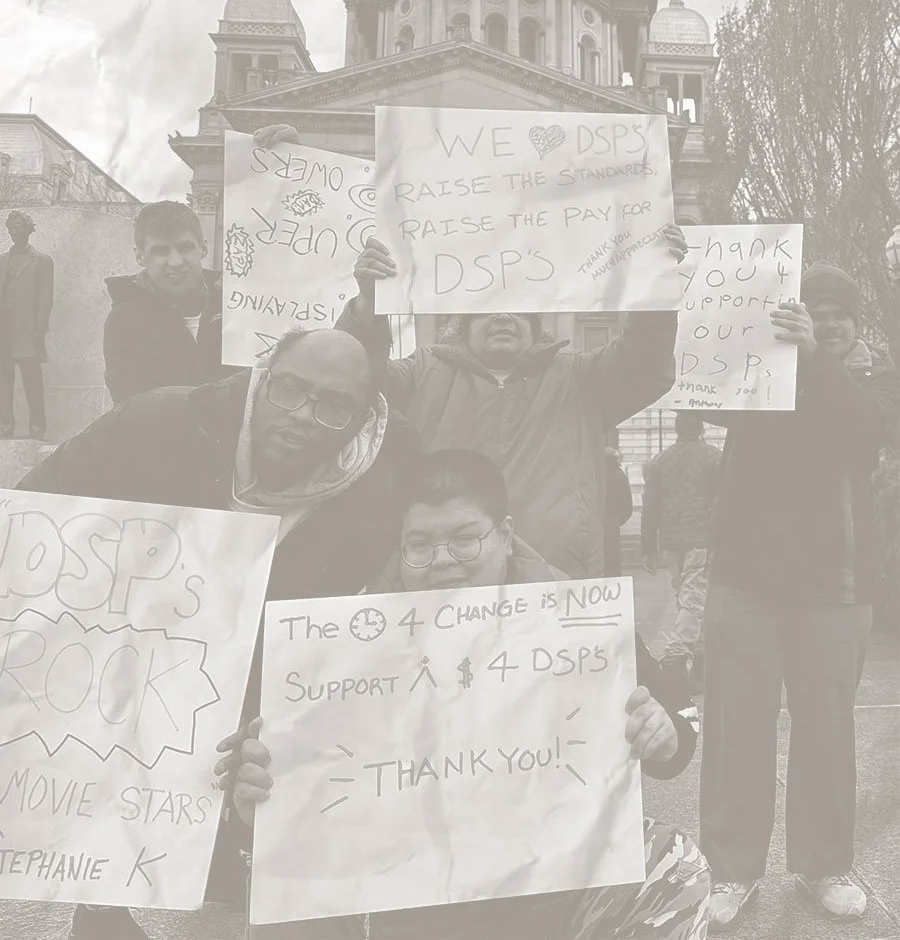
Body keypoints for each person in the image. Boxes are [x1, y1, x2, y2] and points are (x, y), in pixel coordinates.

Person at [18, 326, 416, 940]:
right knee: (108, 880)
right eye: (289, 389)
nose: (305, 416)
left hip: (266, 723)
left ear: (365, 417)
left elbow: (459, 566)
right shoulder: (158, 423)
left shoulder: (383, 486)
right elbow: (31, 515)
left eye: (334, 405)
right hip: (129, 682)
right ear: (261, 376)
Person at [223, 449, 709, 940]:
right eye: (420, 545)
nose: (442, 562)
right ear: (400, 547)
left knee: (674, 863)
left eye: (465, 541)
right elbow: (284, 799)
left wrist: (665, 735)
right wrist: (254, 802)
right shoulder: (342, 642)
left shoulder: (581, 622)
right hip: (401, 891)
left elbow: (676, 727)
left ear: (505, 533)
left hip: (547, 884)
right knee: (287, 892)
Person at [698, 265, 900, 932]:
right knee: (736, 728)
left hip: (834, 587)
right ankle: (730, 869)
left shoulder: (874, 377)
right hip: (743, 578)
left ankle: (823, 864)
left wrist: (814, 362)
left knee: (827, 729)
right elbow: (701, 394)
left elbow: (868, 431)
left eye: (839, 311)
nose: (828, 321)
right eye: (814, 309)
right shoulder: (749, 367)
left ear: (854, 321)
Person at [332, 230, 686, 578]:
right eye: (488, 311)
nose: (504, 317)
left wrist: (653, 289)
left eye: (518, 312)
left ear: (536, 328)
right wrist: (366, 311)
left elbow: (644, 364)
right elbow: (351, 381)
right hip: (442, 576)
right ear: (463, 326)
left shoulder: (580, 377)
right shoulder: (421, 372)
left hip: (558, 580)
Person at [103, 200, 237, 404]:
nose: (175, 262)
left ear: (203, 249)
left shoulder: (234, 305)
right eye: (161, 251)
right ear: (140, 256)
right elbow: (151, 406)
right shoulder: (125, 320)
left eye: (185, 248)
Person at [641, 413, 720, 688]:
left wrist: (648, 547)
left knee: (685, 599)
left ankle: (700, 662)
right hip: (702, 537)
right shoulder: (715, 458)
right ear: (701, 427)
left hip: (671, 540)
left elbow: (649, 507)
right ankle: (674, 661)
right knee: (694, 600)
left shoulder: (659, 461)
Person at [0, 210, 53, 439]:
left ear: (28, 230)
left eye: (19, 228)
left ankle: (37, 424)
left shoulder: (42, 260)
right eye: (11, 229)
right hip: (3, 327)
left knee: (31, 376)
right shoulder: (1, 260)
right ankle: (5, 423)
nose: (14, 233)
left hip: (27, 328)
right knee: (3, 377)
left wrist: (40, 328)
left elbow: (45, 296)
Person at [603, 447, 633, 577]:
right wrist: (616, 520)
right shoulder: (619, 475)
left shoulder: (592, 473)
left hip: (592, 523)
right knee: (612, 560)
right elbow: (627, 507)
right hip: (612, 523)